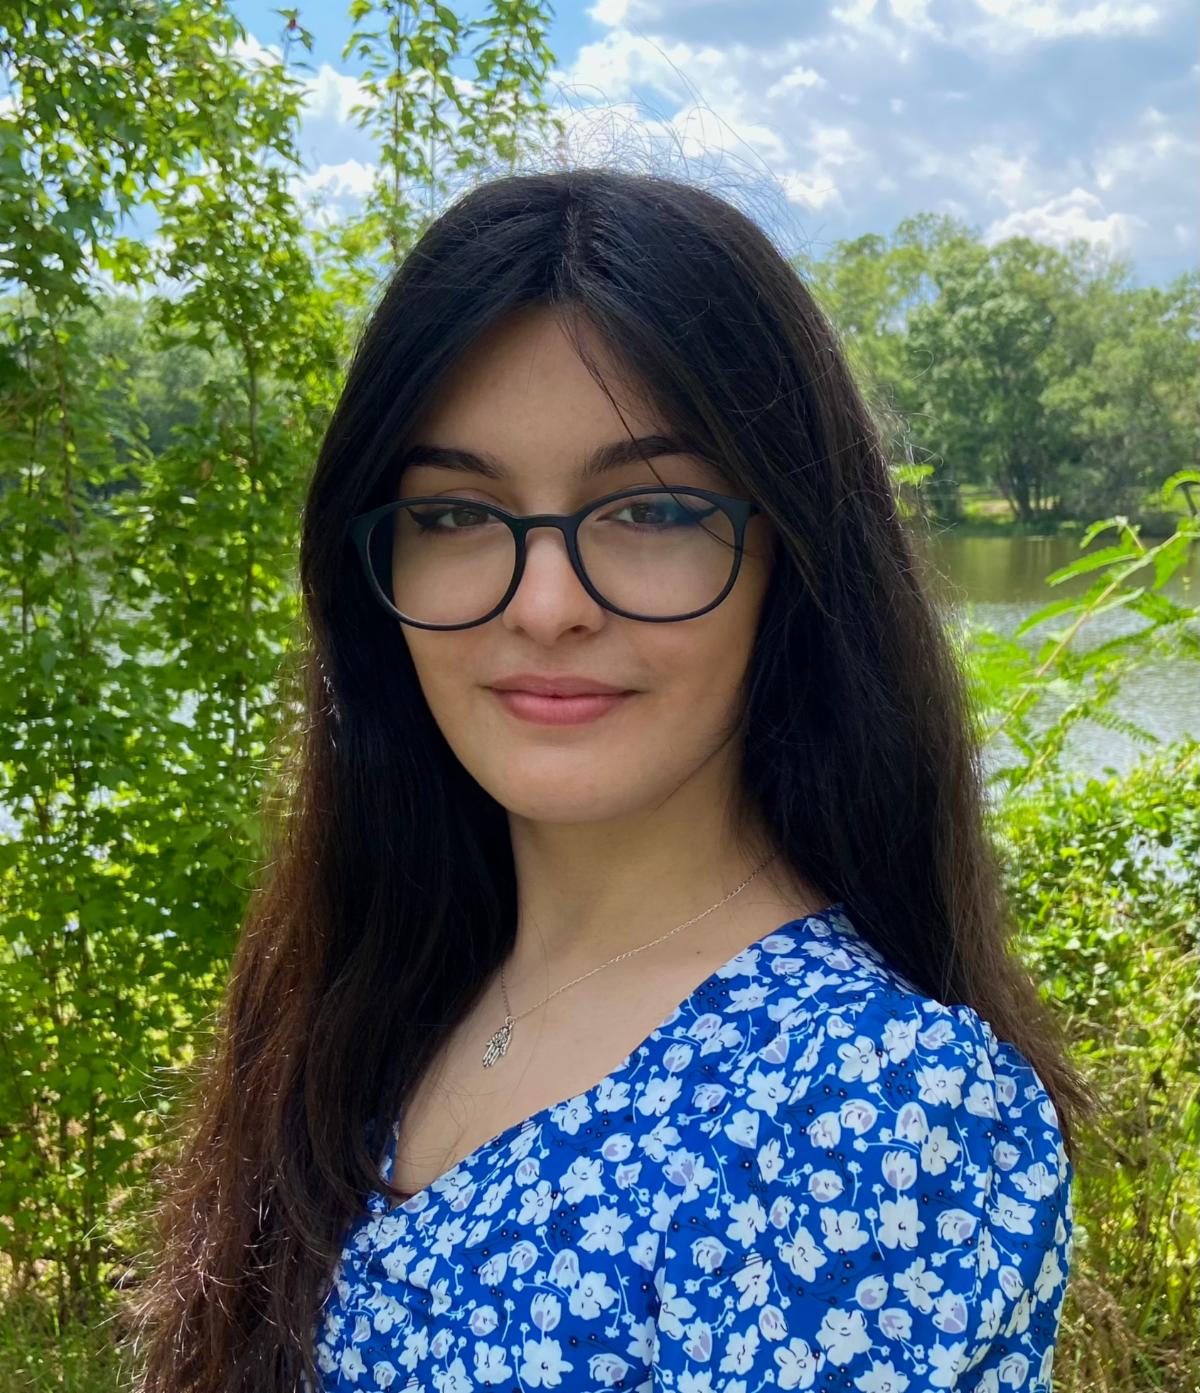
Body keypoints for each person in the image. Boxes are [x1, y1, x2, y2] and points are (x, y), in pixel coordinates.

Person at [126, 166, 1095, 1393]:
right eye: (455, 514)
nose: (546, 606)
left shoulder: (864, 1105)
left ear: (794, 559)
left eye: (652, 509)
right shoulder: (378, 988)